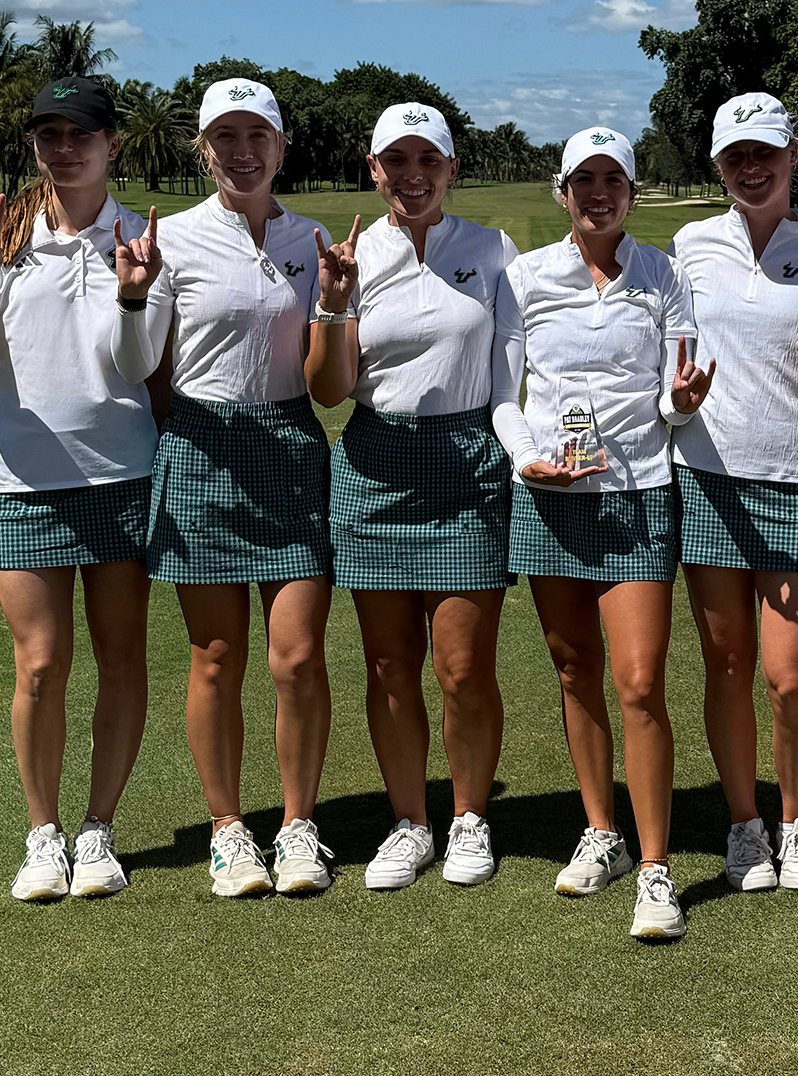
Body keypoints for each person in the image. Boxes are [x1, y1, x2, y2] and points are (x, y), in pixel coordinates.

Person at [0, 77, 162, 901]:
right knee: (40, 666)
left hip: (121, 475)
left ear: (113, 144)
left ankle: (98, 830)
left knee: (120, 659)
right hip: (21, 477)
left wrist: (135, 294)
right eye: (50, 134)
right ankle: (43, 836)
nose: (65, 149)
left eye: (82, 135)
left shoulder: (140, 236)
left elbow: (136, 368)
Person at [111, 78, 337, 897]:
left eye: (258, 137)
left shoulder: (311, 239)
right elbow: (139, 366)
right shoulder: (167, 239)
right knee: (215, 656)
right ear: (202, 149)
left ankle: (299, 825)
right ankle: (229, 830)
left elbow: (328, 370)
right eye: (225, 138)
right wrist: (135, 294)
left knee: (297, 656)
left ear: (281, 148)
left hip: (288, 445)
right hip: (202, 447)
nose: (243, 153)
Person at [491, 127, 713, 940]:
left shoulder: (663, 276)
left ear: (630, 188)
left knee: (640, 680)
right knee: (573, 667)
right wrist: (527, 460)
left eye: (612, 179)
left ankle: (655, 868)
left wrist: (679, 406)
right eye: (582, 180)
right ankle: (603, 833)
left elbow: (670, 390)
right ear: (563, 192)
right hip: (552, 494)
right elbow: (502, 392)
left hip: (637, 493)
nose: (598, 193)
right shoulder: (525, 278)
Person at [303, 104, 516, 889]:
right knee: (392, 665)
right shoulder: (353, 256)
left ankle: (467, 818)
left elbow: (507, 375)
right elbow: (328, 391)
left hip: (466, 462)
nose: (413, 175)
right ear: (373, 169)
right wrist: (332, 301)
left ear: (452, 169)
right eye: (397, 160)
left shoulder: (493, 251)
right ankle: (409, 821)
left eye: (429, 159)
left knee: (462, 670)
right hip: (374, 461)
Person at [668, 92, 798, 893]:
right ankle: (744, 826)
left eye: (766, 153)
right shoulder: (691, 244)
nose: (752, 169)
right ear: (718, 165)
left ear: (794, 154)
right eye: (735, 157)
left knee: (790, 677)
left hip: (797, 477)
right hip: (709, 475)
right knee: (726, 666)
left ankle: (797, 821)